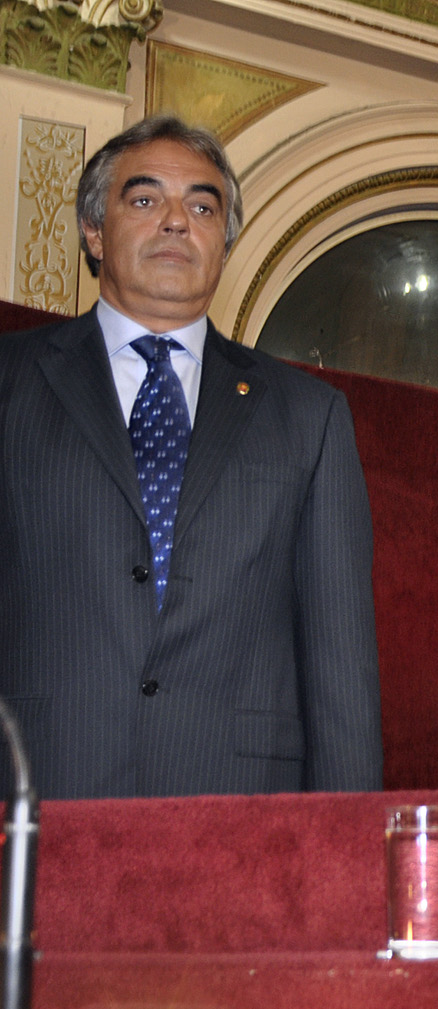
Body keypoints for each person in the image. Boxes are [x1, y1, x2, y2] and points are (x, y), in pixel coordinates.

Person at [0, 116, 382, 798]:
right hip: (40, 802)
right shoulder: (10, 383)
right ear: (94, 231)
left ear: (225, 244)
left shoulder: (309, 416)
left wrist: (345, 855)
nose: (177, 221)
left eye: (202, 206)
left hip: (237, 818)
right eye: (145, 199)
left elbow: (340, 669)